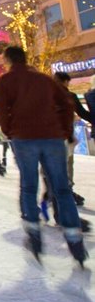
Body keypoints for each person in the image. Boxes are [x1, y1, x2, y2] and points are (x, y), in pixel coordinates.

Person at [0, 45, 86, 266]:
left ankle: (34, 234)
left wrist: (10, 130)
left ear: (7, 60)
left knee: (28, 186)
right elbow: (66, 103)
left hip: (24, 138)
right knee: (62, 188)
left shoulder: (5, 82)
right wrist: (65, 131)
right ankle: (74, 238)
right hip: (52, 137)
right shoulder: (45, 80)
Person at [54, 71, 92, 206]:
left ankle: (56, 192)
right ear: (65, 82)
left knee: (55, 166)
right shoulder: (69, 95)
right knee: (68, 163)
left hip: (50, 137)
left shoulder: (47, 95)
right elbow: (81, 112)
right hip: (65, 136)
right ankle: (66, 190)